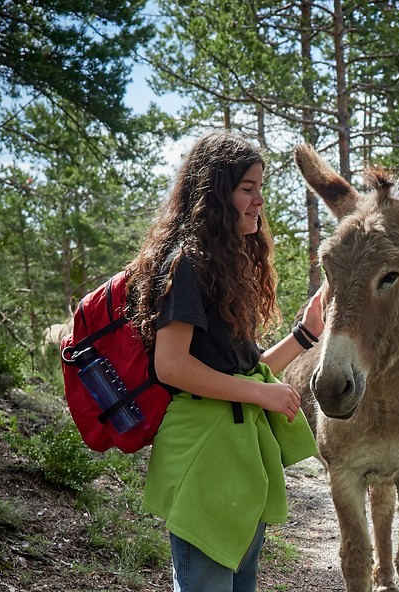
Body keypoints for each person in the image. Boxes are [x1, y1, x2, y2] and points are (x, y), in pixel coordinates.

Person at [125, 129, 322, 592]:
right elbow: (172, 367)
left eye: (261, 188)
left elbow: (242, 372)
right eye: (246, 189)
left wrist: (306, 333)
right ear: (216, 194)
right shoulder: (185, 265)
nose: (258, 201)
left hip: (237, 458)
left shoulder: (222, 265)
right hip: (203, 457)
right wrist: (261, 393)